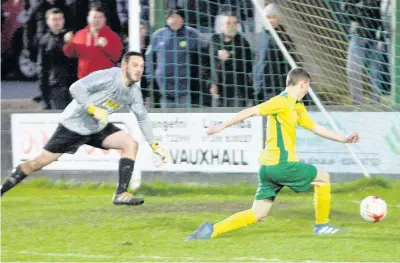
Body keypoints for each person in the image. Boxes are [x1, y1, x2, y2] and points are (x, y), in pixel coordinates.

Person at [185, 67, 360, 241]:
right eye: (307, 88)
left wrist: (343, 139)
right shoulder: (281, 101)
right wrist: (221, 126)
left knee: (258, 213)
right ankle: (322, 225)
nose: (307, 92)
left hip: (267, 169)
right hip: (281, 165)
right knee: (323, 179)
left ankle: (210, 231)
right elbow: (251, 111)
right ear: (303, 84)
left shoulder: (297, 107)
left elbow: (315, 127)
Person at [0, 51, 168, 205]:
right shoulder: (109, 76)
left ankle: (121, 193)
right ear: (124, 66)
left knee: (130, 144)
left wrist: (154, 144)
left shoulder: (133, 92)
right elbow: (76, 88)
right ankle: (2, 190)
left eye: (142, 66)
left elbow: (143, 117)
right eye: (135, 65)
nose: (139, 69)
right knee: (36, 163)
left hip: (96, 127)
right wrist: (93, 109)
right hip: (73, 126)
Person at [63, 6, 123, 79]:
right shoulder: (80, 34)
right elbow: (71, 54)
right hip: (84, 80)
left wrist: (107, 46)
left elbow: (117, 57)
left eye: (100, 17)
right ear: (88, 18)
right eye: (94, 17)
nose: (97, 20)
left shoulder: (112, 36)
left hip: (105, 80)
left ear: (105, 19)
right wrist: (69, 43)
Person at [37, 8, 76, 110]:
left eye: (59, 19)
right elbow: (42, 69)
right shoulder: (44, 41)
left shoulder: (72, 37)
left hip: (74, 85)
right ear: (47, 22)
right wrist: (44, 96)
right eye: (54, 19)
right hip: (56, 86)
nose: (57, 22)